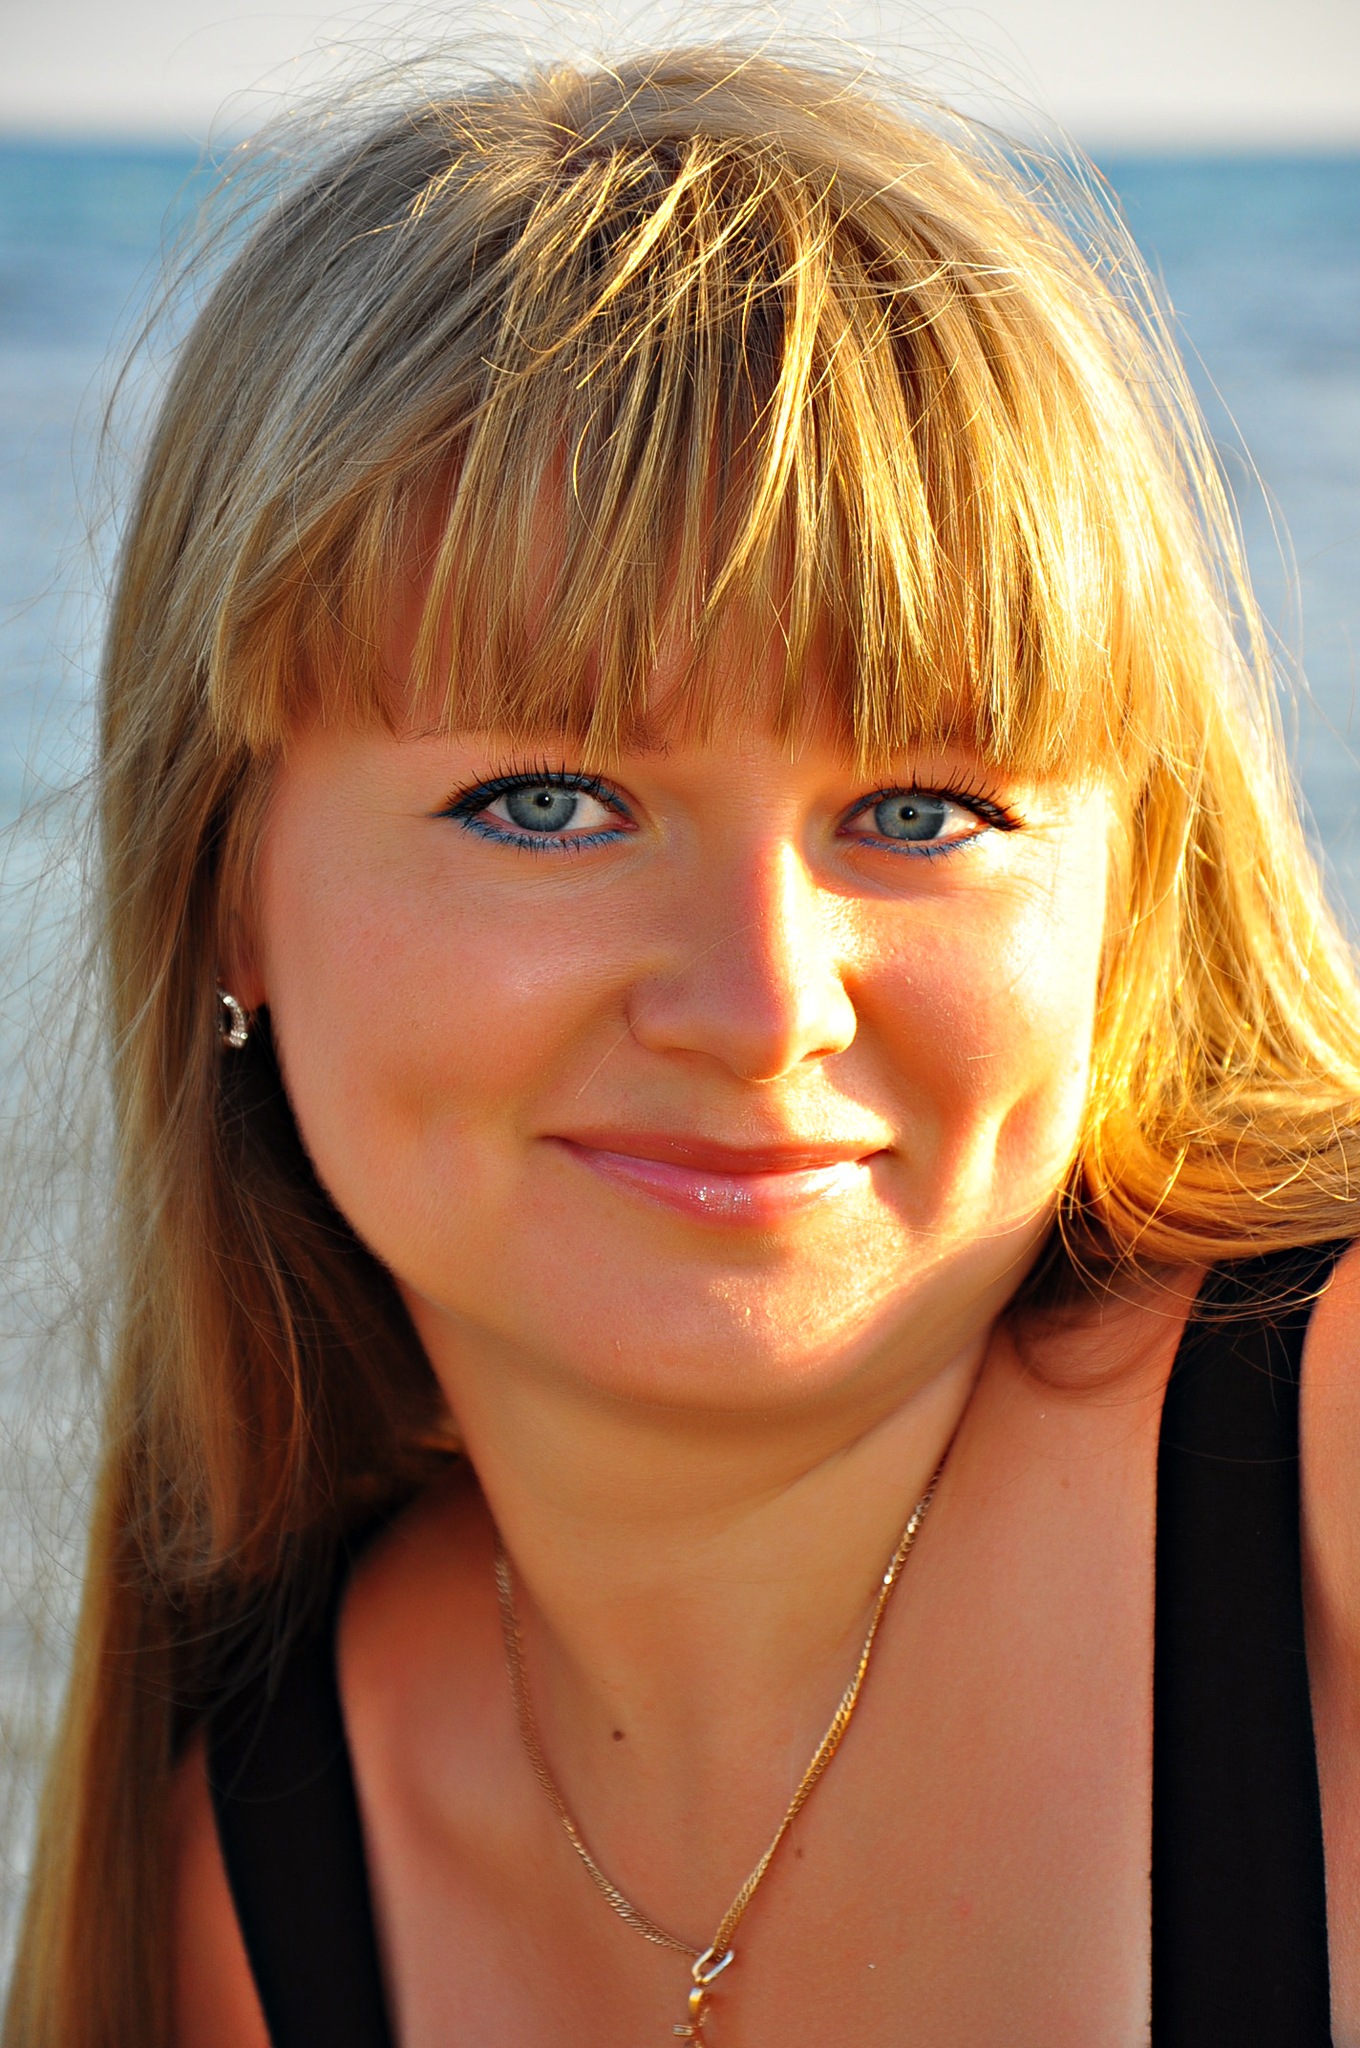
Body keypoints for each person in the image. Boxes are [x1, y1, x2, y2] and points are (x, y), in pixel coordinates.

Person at [5, 43, 1359, 2048]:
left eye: (920, 811)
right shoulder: (272, 1871)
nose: (760, 1002)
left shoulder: (1322, 1475)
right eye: (549, 804)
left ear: (1128, 892)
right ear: (225, 889)